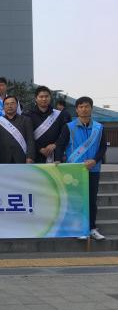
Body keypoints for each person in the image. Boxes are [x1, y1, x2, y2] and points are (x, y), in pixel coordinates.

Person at [55, 96, 107, 240]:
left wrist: (95, 160)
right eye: (81, 107)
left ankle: (92, 228)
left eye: (87, 106)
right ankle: (77, 229)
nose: (84, 109)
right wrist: (58, 159)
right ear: (77, 110)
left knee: (91, 200)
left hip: (93, 169)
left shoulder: (99, 128)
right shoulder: (69, 127)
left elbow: (103, 147)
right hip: (74, 170)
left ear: (91, 108)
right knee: (76, 200)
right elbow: (60, 145)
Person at [23, 86, 67, 163]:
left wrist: (55, 145)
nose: (44, 99)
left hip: (55, 155)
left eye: (46, 96)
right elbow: (26, 136)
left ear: (50, 98)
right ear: (36, 98)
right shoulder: (27, 115)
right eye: (41, 97)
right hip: (34, 156)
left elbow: (64, 134)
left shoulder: (60, 115)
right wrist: (39, 148)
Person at [0, 96, 35, 164]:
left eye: (12, 103)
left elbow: (30, 140)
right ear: (3, 107)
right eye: (7, 104)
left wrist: (30, 157)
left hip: (22, 158)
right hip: (3, 159)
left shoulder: (26, 120)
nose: (9, 106)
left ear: (17, 105)